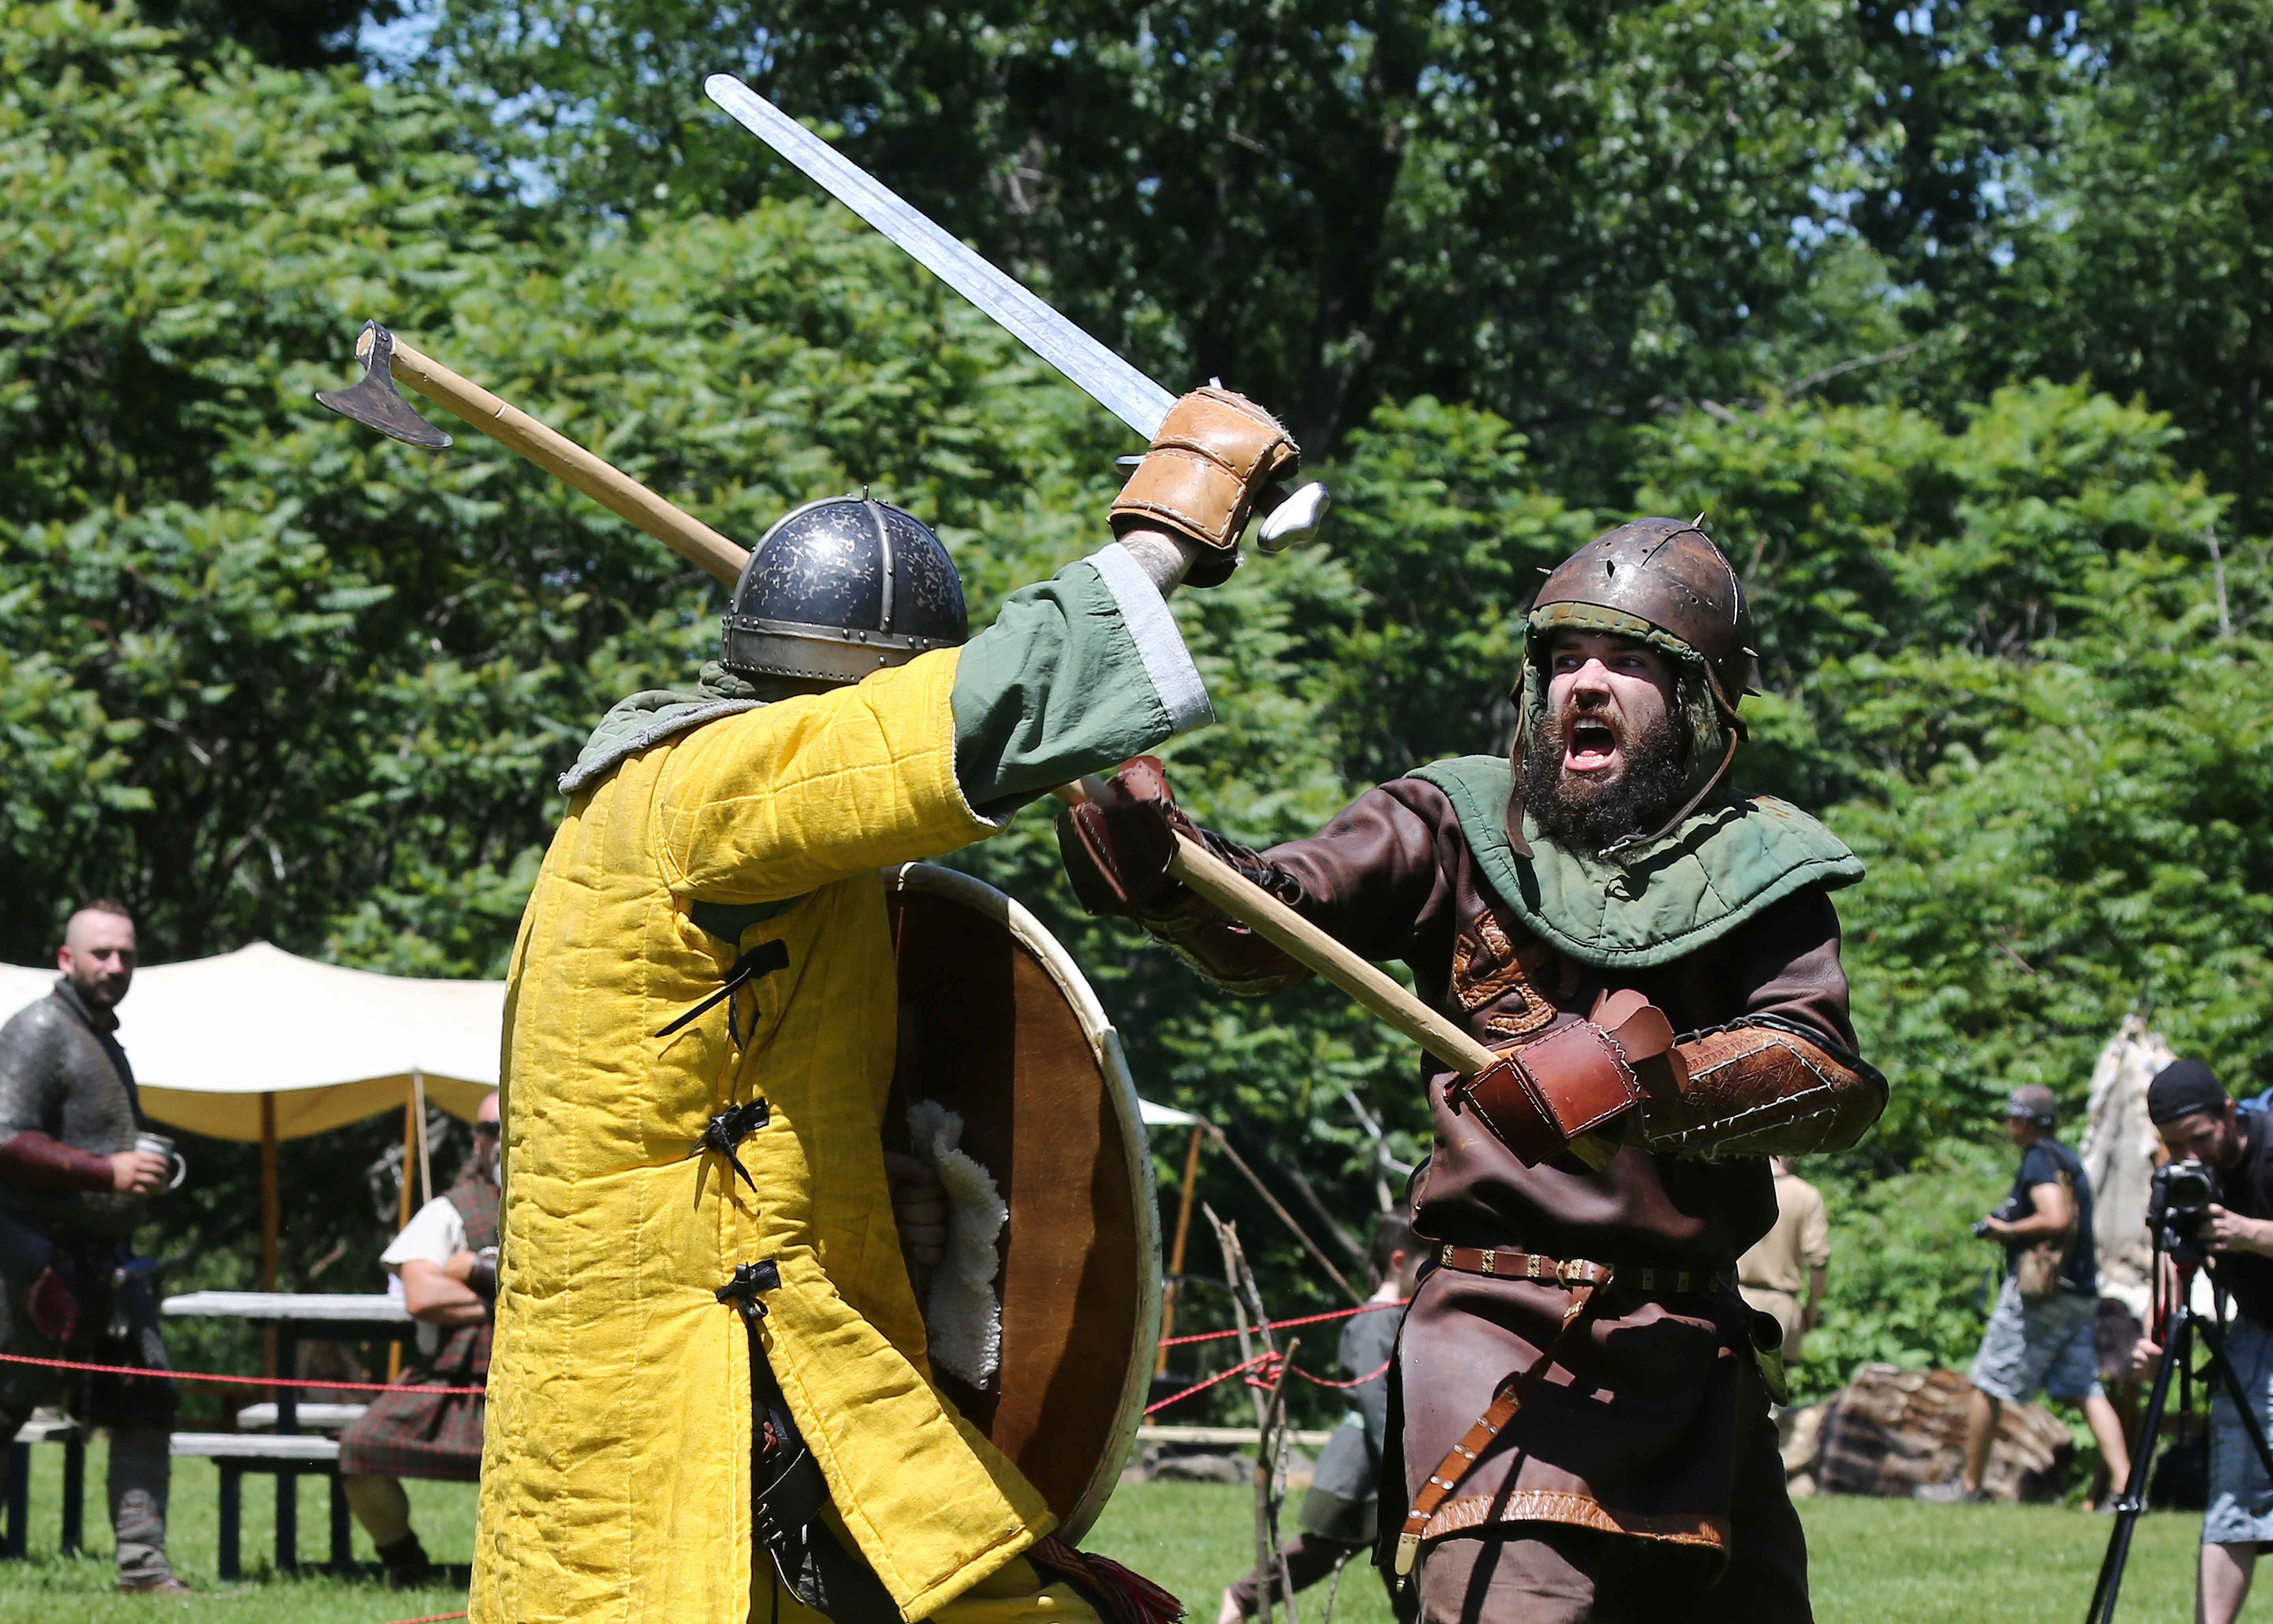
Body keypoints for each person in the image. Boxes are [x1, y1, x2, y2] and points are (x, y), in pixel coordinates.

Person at [474, 390, 1298, 1624]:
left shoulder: (705, 814)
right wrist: (1169, 530)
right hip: (690, 1384)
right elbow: (955, 724)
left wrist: (889, 1183)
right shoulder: (717, 784)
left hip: (757, 1361)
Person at [1059, 517, 1887, 1623]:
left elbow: (1820, 1073)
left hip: (1700, 1369)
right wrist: (1182, 878)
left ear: (1699, 703)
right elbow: (1283, 912)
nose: (1587, 684)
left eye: (1631, 661)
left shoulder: (1766, 866)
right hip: (1501, 1339)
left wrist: (1646, 1086)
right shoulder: (1451, 821)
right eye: (1565, 660)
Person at [0, 899, 188, 1596]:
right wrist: (103, 1171)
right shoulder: (40, 1030)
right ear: (66, 959)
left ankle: (144, 1570)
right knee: (4, 1404)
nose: (115, 966)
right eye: (101, 953)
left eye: (126, 955)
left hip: (102, 1263)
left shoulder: (99, 1035)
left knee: (145, 1399)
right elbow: (4, 1138)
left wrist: (142, 1171)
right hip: (27, 1261)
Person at [1918, 1084, 2131, 1505]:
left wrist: (2005, 1230)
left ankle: (1969, 1487)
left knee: (1988, 1383)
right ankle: (2125, 1488)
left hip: (2043, 1295)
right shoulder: (2066, 1157)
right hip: (2081, 1292)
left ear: (2025, 1121)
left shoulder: (2038, 1159)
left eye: (2013, 1118)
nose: (2008, 1125)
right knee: (2085, 1387)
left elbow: (2055, 1216)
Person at [1219, 1214, 1423, 1624]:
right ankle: (1239, 1600)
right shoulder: (1378, 1319)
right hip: (1364, 1466)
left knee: (1408, 1570)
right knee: (1317, 1553)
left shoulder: (1395, 1316)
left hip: (1380, 1470)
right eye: (1428, 1263)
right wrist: (1409, 1460)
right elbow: (1375, 1397)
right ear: (1399, 1261)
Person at [2128, 1059, 2273, 1624]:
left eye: (2199, 1138)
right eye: (2173, 1144)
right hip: (2260, 1330)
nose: (2191, 1155)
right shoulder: (2183, 1175)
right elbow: (2171, 1257)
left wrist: (2250, 1233)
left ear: (2230, 1113)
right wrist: (2158, 1335)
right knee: (2234, 1489)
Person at [338, 1090, 502, 1587]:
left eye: (510, 1124)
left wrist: (470, 1269)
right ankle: (405, 1562)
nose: (499, 1139)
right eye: (491, 1129)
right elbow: (424, 1294)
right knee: (359, 1450)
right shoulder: (450, 1209)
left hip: (537, 1381)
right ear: (478, 1141)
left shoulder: (571, 1202)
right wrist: (508, 1296)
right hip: (449, 1383)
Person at [1739, 1159, 1828, 1367]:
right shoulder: (1806, 1195)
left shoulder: (1739, 1188)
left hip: (1736, 1300)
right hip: (1782, 1311)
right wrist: (1811, 1310)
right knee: (1771, 1393)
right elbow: (1819, 1260)